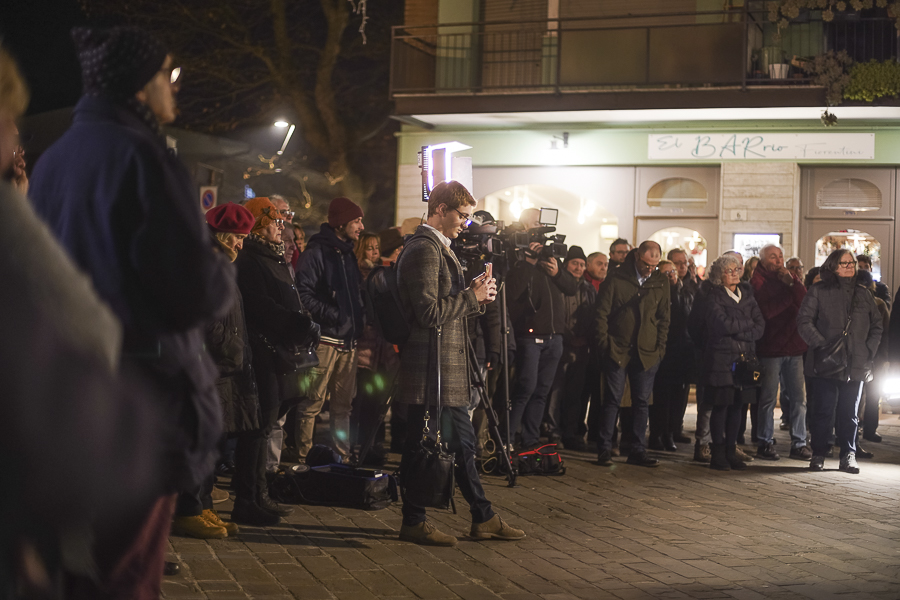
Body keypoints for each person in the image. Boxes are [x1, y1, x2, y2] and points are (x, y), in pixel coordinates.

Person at [395, 180, 523, 546]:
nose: (466, 224)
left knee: (464, 444)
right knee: (421, 446)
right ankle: (414, 520)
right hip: (430, 368)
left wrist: (477, 297)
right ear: (440, 209)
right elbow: (428, 313)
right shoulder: (424, 249)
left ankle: (482, 516)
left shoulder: (439, 248)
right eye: (462, 216)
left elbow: (446, 309)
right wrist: (472, 296)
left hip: (445, 368)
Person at [235, 196, 318, 520]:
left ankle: (259, 494)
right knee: (256, 428)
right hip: (261, 352)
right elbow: (260, 305)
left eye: (282, 221)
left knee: (266, 426)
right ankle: (247, 499)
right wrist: (297, 322)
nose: (280, 227)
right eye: (275, 221)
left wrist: (302, 319)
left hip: (280, 352)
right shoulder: (251, 260)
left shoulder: (274, 257)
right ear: (259, 224)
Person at [200, 203, 264, 531]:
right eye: (237, 237)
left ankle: (204, 504)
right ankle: (196, 507)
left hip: (224, 366)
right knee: (206, 442)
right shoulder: (211, 264)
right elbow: (208, 320)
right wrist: (233, 346)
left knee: (215, 441)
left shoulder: (221, 262)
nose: (240, 244)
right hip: (213, 366)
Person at [797, 249, 883, 474]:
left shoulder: (863, 293)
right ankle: (818, 454)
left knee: (850, 413)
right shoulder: (818, 291)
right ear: (833, 266)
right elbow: (804, 321)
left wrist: (867, 350)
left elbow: (877, 326)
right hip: (826, 362)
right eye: (844, 263)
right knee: (823, 411)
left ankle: (848, 454)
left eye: (851, 263)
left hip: (856, 364)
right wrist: (822, 344)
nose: (849, 267)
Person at [295, 197, 365, 459]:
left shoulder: (347, 254)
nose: (361, 226)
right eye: (356, 220)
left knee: (342, 407)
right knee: (312, 403)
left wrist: (359, 317)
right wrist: (336, 315)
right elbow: (303, 294)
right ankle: (303, 458)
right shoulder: (316, 253)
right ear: (340, 223)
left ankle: (341, 458)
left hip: (348, 343)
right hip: (324, 342)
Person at [506, 209, 578, 450]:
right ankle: (507, 439)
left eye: (542, 222)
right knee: (525, 387)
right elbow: (512, 292)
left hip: (554, 337)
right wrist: (527, 262)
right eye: (535, 222)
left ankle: (530, 440)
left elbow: (571, 287)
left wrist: (557, 272)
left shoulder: (549, 253)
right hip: (530, 334)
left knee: (542, 390)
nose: (540, 226)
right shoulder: (515, 251)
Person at [595, 242, 670, 468]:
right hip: (618, 348)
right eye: (646, 265)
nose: (650, 270)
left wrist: (659, 349)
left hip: (647, 351)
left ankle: (637, 449)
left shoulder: (660, 281)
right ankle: (604, 448)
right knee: (612, 400)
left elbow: (664, 318)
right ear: (637, 257)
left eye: (654, 266)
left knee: (641, 402)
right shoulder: (617, 278)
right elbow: (601, 313)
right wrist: (605, 344)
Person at [702, 254, 765, 471]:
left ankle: (731, 450)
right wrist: (745, 326)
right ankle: (717, 453)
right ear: (719, 276)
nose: (734, 273)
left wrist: (740, 329)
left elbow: (760, 326)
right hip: (721, 359)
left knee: (739, 406)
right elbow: (722, 325)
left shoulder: (747, 295)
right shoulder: (713, 297)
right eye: (729, 271)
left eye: (736, 269)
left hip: (744, 360)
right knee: (721, 406)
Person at [749, 244, 811, 461]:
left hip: (794, 347)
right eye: (773, 257)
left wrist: (793, 285)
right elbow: (768, 311)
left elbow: (805, 303)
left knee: (798, 399)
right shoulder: (758, 281)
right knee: (767, 399)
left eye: (780, 256)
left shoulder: (790, 278)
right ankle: (764, 442)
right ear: (764, 261)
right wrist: (790, 296)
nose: (778, 261)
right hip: (771, 349)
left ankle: (799, 443)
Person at [547, 246, 596, 451]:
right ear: (566, 264)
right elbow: (556, 315)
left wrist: (585, 338)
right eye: (575, 263)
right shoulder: (557, 284)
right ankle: (552, 431)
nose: (578, 267)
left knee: (575, 394)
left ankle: (570, 432)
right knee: (555, 392)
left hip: (582, 348)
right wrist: (569, 336)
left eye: (582, 264)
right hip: (562, 345)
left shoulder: (588, 288)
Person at [649, 259, 695, 452]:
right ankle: (657, 434)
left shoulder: (685, 292)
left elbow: (688, 316)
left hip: (682, 350)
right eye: (665, 273)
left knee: (679, 396)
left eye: (672, 272)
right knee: (661, 397)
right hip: (663, 350)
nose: (670, 277)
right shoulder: (654, 294)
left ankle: (671, 432)